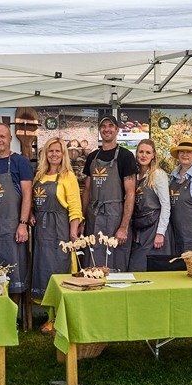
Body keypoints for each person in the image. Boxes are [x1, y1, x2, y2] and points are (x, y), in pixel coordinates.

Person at [29, 137, 82, 332]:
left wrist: (73, 233)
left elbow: (75, 206)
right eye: (51, 151)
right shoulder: (39, 176)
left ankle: (59, 317)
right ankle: (49, 315)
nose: (54, 154)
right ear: (45, 153)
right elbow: (32, 201)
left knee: (60, 270)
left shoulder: (68, 176)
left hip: (60, 228)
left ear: (63, 154)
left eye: (58, 151)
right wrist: (32, 213)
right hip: (41, 230)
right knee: (44, 271)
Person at [0, 123, 34, 304]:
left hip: (13, 226)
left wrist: (23, 223)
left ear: (10, 139)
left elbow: (28, 195)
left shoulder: (21, 162)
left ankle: (12, 318)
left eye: (3, 136)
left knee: (15, 271)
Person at [81, 115, 137, 271]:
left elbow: (130, 194)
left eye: (110, 126)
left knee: (114, 262)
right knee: (92, 263)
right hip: (94, 217)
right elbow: (87, 190)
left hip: (115, 217)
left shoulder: (126, 157)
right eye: (103, 126)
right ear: (99, 130)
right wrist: (82, 219)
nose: (107, 129)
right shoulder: (92, 157)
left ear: (117, 130)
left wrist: (124, 227)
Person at [128, 139, 172, 271]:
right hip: (140, 226)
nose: (143, 155)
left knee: (150, 269)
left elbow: (166, 205)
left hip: (154, 226)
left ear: (153, 155)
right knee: (136, 267)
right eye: (141, 152)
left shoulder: (158, 175)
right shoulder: (134, 175)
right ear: (136, 154)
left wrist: (160, 233)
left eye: (148, 152)